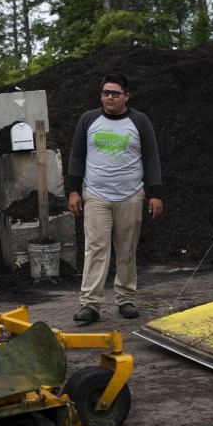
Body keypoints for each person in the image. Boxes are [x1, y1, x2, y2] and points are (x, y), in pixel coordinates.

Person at [67, 72, 163, 323]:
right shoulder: (89, 120)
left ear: (126, 96)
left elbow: (152, 157)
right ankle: (90, 304)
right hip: (96, 195)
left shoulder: (139, 122)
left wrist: (155, 194)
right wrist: (74, 190)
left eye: (115, 93)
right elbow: (76, 156)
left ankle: (125, 298)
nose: (109, 97)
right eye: (105, 93)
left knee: (126, 250)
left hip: (130, 196)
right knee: (96, 248)